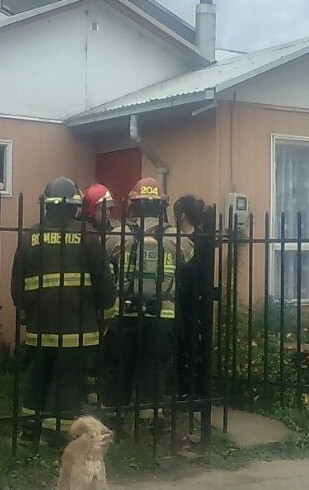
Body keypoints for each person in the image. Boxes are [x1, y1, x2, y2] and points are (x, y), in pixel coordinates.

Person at [11, 176, 116, 447]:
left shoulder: (30, 237)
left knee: (38, 378)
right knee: (68, 380)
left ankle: (29, 432)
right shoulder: (89, 237)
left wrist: (26, 311)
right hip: (78, 330)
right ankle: (58, 436)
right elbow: (104, 284)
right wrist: (105, 310)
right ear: (75, 206)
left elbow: (17, 285)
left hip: (40, 328)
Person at [102, 177, 194, 429]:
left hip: (125, 312)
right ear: (161, 205)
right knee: (154, 367)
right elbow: (187, 257)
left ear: (133, 205)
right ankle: (149, 418)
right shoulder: (176, 238)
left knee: (119, 367)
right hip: (162, 314)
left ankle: (113, 418)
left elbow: (104, 258)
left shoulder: (117, 235)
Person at [172, 195, 213, 413]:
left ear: (183, 215)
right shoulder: (178, 238)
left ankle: (194, 393)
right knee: (180, 346)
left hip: (194, 300)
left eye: (175, 213)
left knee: (193, 345)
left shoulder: (200, 239)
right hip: (180, 300)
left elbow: (197, 270)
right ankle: (182, 390)